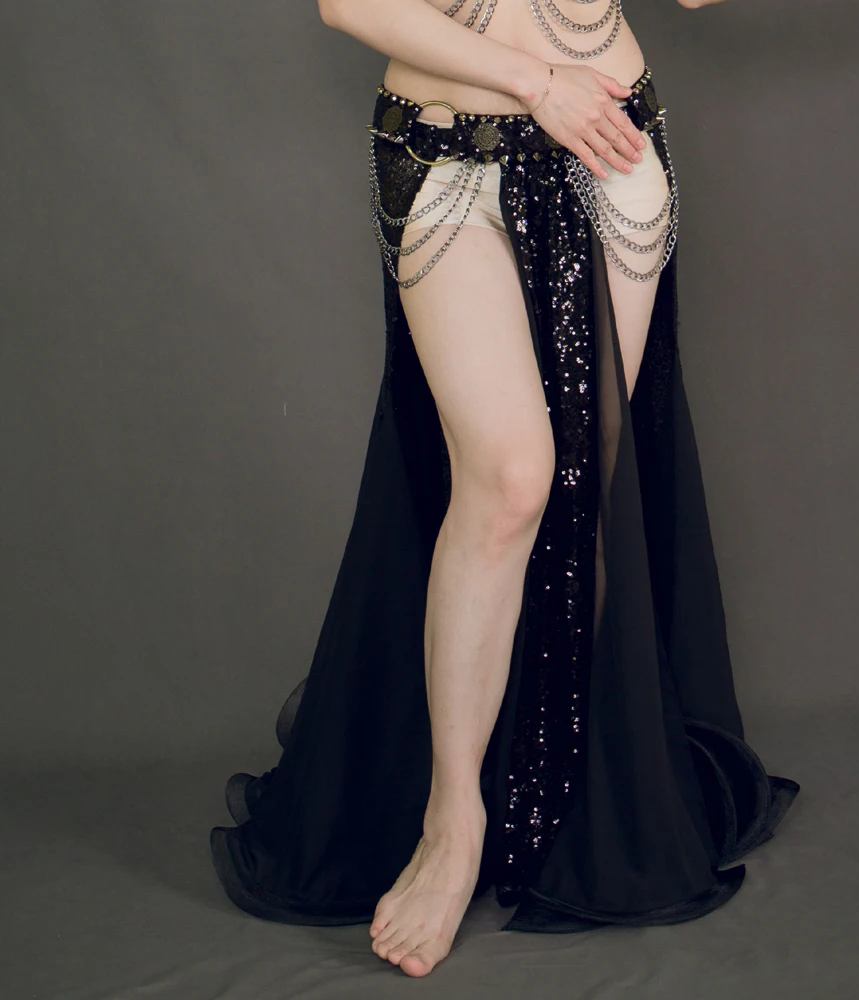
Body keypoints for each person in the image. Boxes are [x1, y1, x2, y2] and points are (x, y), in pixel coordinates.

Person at [210, 0, 800, 979]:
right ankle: (454, 819)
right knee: (511, 478)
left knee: (582, 493)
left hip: (609, 149)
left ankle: (561, 794)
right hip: (446, 155)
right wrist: (536, 84)